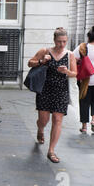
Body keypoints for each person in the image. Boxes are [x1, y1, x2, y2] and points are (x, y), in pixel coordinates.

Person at [28, 28, 77, 163]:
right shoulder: (45, 51)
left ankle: (51, 150)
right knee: (44, 120)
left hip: (61, 91)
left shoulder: (70, 54)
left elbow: (75, 73)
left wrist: (66, 71)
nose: (62, 44)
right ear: (54, 40)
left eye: (64, 42)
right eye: (59, 41)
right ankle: (40, 128)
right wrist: (41, 61)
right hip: (45, 90)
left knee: (57, 119)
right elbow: (30, 63)